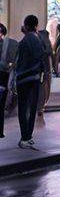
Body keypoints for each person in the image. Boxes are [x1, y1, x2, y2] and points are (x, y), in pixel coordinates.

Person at [14, 15, 46, 148]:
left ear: (26, 26)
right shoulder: (40, 39)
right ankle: (29, 136)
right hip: (35, 78)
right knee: (32, 108)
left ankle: (24, 137)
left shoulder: (24, 41)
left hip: (23, 79)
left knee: (22, 109)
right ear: (36, 25)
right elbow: (43, 58)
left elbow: (18, 62)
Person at [0, 24, 18, 138]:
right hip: (4, 76)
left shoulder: (8, 44)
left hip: (3, 76)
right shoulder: (9, 44)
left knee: (1, 104)